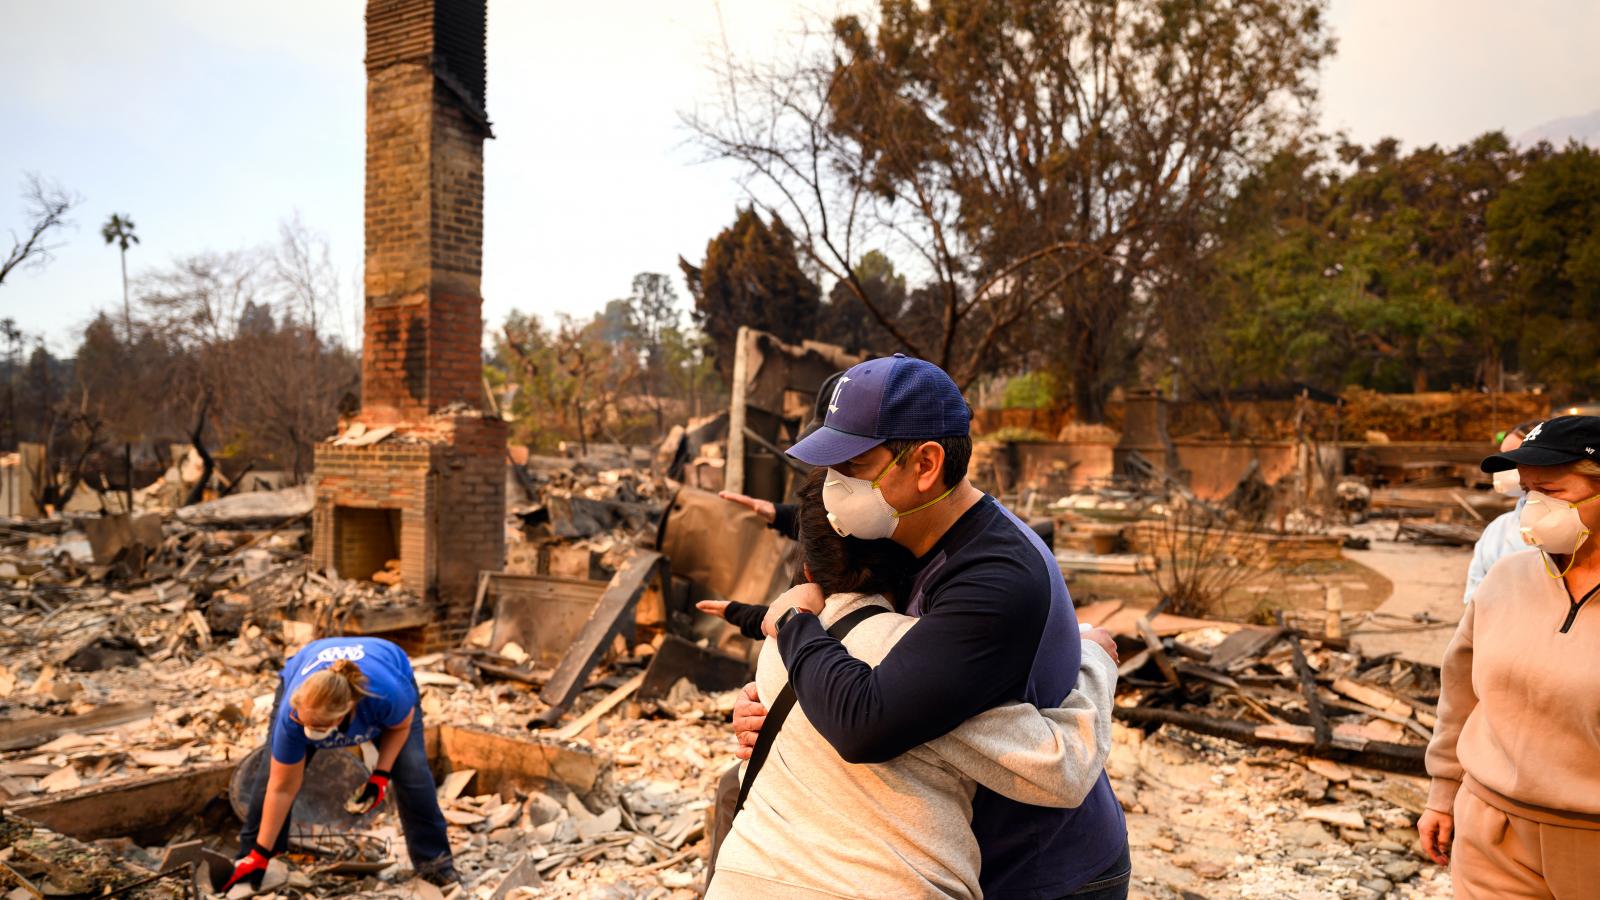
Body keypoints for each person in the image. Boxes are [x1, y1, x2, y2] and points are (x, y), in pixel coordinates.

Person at [738, 354, 1129, 899]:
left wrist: (796, 622)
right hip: (970, 853)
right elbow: (871, 663)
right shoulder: (901, 537)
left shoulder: (995, 579)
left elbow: (866, 723)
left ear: (925, 465)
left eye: (851, 466)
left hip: (1043, 870)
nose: (834, 486)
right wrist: (771, 704)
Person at [1420, 415, 1600, 897]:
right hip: (1491, 837)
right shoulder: (1505, 580)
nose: (1531, 508)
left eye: (1552, 491)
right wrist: (1442, 794)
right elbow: (1459, 696)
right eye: (1526, 491)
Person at [224, 637, 456, 893]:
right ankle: (257, 860)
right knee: (270, 774)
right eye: (306, 725)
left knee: (413, 774)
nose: (310, 732)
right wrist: (260, 852)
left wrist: (381, 775)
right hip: (311, 672)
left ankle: (436, 864)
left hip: (384, 668)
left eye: (319, 727)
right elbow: (281, 787)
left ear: (347, 712)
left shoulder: (386, 695)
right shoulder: (293, 716)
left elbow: (400, 727)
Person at [1461, 421, 1540, 603]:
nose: (1505, 466)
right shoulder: (1497, 529)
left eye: (1515, 456)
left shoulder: (1572, 527)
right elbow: (1474, 601)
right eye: (1503, 457)